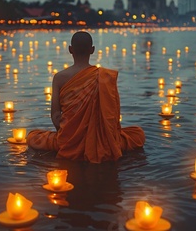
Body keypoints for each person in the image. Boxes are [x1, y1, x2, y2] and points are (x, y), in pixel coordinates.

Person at [27, 31, 145, 163]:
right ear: (92, 50)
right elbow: (112, 116)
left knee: (32, 137)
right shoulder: (105, 77)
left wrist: (67, 136)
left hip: (68, 139)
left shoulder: (59, 78)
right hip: (102, 141)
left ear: (70, 50)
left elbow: (55, 115)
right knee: (138, 134)